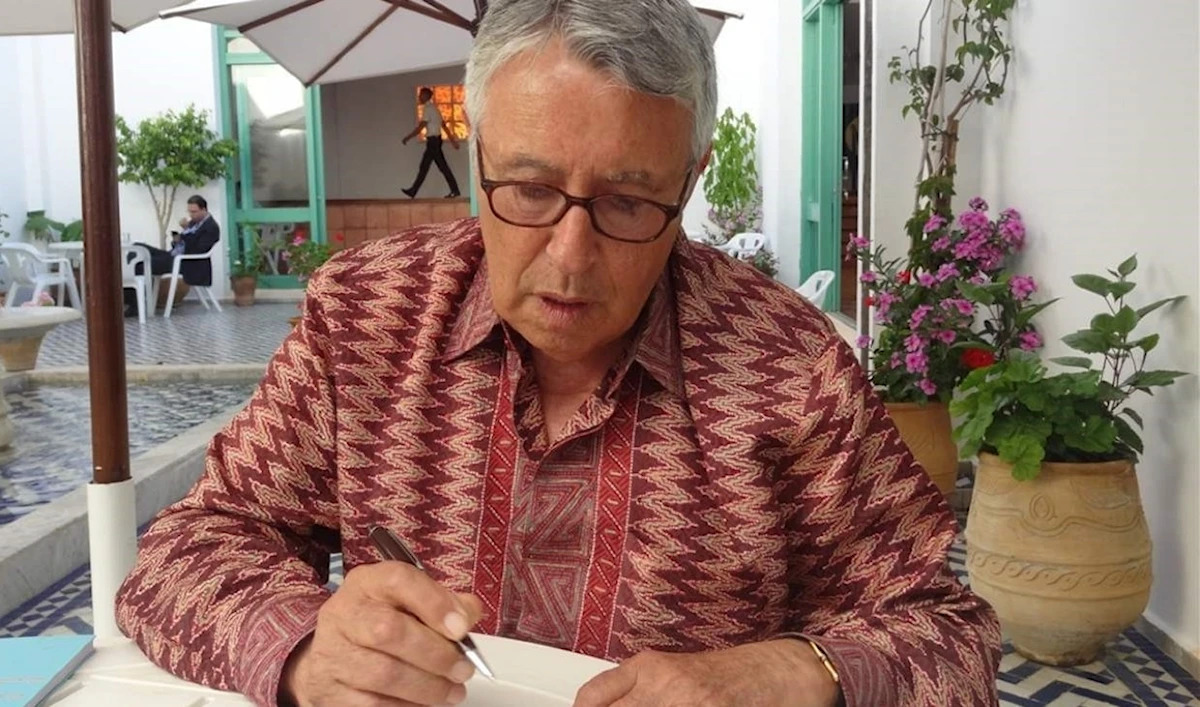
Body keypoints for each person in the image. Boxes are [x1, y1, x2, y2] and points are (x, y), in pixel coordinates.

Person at [115, 2, 1002, 706]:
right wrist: (308, 647)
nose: (571, 258)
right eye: (530, 188)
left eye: (628, 202)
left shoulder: (788, 367)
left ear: (690, 178)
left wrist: (798, 671)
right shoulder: (368, 317)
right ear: (477, 156)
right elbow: (185, 551)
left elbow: (951, 637)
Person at [128, 195, 220, 313]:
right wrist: (177, 240)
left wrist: (186, 231)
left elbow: (198, 249)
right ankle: (134, 298)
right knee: (138, 248)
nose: (191, 215)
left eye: (194, 212)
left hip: (188, 262)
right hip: (174, 255)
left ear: (204, 210)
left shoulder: (211, 227)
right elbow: (183, 243)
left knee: (141, 265)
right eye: (189, 211)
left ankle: (136, 304)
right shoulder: (194, 223)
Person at [401, 86, 462, 199]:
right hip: (435, 141)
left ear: (425, 96)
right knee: (430, 167)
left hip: (433, 142)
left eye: (421, 95)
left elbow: (421, 126)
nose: (419, 97)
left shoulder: (428, 109)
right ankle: (414, 191)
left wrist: (408, 137)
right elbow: (444, 126)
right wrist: (453, 141)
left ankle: (454, 190)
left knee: (434, 167)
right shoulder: (435, 109)